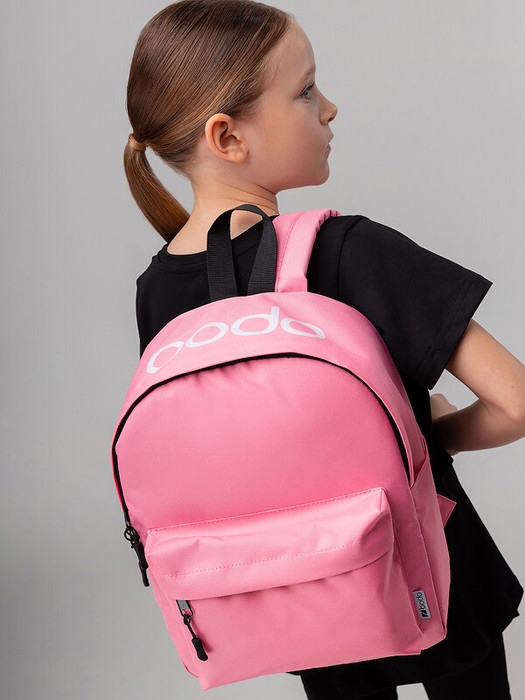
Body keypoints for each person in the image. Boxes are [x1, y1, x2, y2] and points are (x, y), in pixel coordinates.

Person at [122, 1, 524, 697]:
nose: (329, 107)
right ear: (227, 136)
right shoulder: (349, 251)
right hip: (432, 567)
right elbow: (515, 402)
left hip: (302, 588)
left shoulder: (157, 291)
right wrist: (433, 435)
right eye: (305, 90)